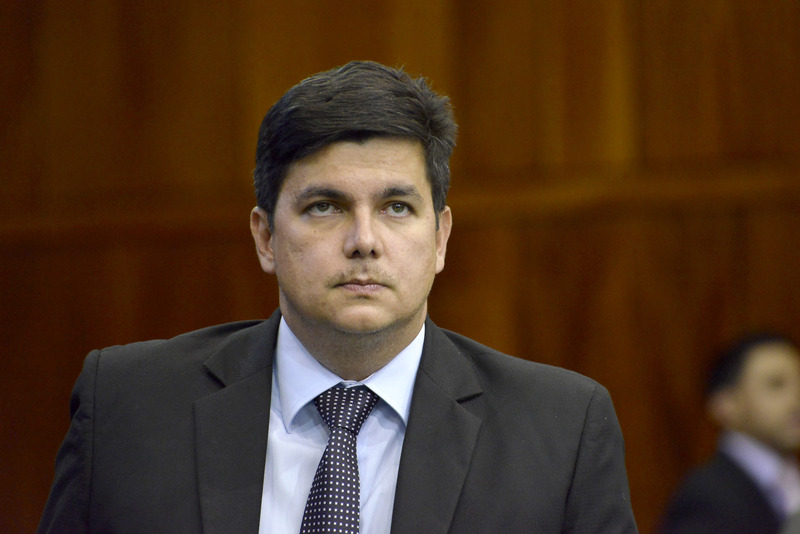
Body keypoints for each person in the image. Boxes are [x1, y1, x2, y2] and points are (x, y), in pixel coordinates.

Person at [37, 60, 637, 533]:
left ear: (440, 239)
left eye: (396, 207)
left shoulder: (561, 430)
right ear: (266, 238)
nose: (364, 241)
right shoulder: (127, 408)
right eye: (325, 207)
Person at [659, 332, 800, 534]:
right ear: (725, 404)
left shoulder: (790, 480)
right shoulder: (706, 497)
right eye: (776, 384)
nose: (796, 400)